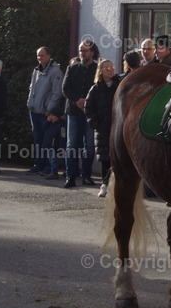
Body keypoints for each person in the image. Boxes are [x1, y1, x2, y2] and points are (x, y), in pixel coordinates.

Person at [61, 39, 99, 189]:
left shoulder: (97, 69)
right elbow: (65, 88)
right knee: (72, 145)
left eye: (84, 51)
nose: (82, 54)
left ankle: (87, 175)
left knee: (89, 145)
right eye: (80, 51)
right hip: (74, 112)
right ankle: (70, 176)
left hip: (90, 113)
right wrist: (77, 100)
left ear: (92, 52)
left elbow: (99, 89)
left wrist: (87, 102)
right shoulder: (72, 68)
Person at [26, 47, 64, 179]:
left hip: (45, 113)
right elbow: (32, 88)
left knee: (47, 142)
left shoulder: (56, 71)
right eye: (38, 56)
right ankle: (39, 164)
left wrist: (50, 109)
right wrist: (29, 103)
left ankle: (49, 167)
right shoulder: (36, 70)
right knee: (37, 140)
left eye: (42, 55)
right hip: (34, 111)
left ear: (49, 56)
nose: (40, 58)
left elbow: (57, 92)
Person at [85, 59, 121, 198]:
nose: (110, 69)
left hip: (118, 126)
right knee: (105, 158)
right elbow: (89, 109)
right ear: (101, 71)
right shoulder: (95, 89)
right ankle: (104, 185)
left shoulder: (119, 85)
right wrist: (96, 124)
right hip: (103, 129)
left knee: (118, 157)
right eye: (107, 68)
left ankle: (118, 185)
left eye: (112, 67)